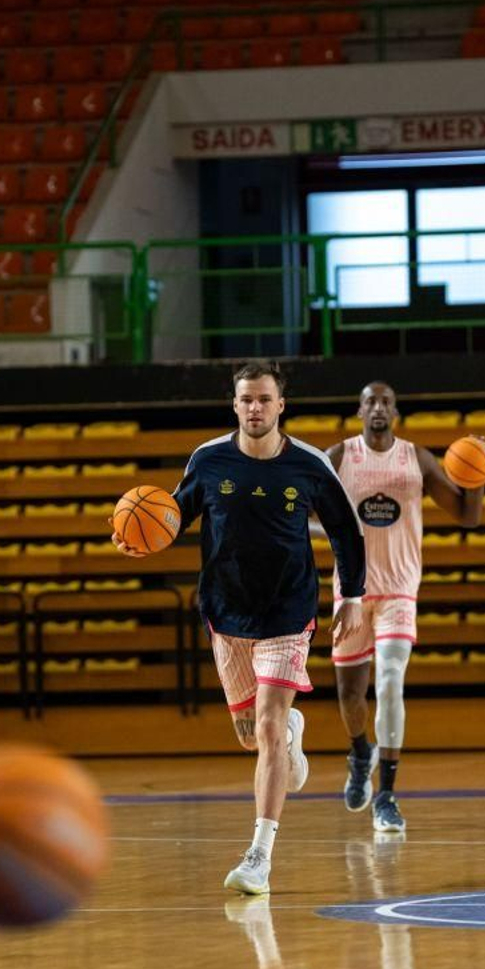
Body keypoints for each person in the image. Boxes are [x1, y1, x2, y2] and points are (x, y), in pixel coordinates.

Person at [115, 362, 366, 895]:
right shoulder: (209, 460)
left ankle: (260, 855)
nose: (255, 407)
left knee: (270, 726)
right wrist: (139, 537)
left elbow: (346, 531)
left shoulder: (310, 464)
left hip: (287, 611)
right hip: (226, 612)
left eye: (264, 399)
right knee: (254, 735)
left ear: (281, 406)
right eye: (246, 399)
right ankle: (291, 741)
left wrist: (355, 596)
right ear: (235, 405)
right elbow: (172, 515)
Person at [325, 382, 484, 832]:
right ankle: (360, 751)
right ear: (359, 410)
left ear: (395, 411)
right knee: (350, 697)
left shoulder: (417, 459)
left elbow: (467, 516)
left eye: (386, 402)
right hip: (352, 593)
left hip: (399, 591)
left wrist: (477, 479)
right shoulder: (338, 457)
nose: (378, 407)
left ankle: (387, 795)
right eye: (370, 401)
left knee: (391, 681)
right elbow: (303, 510)